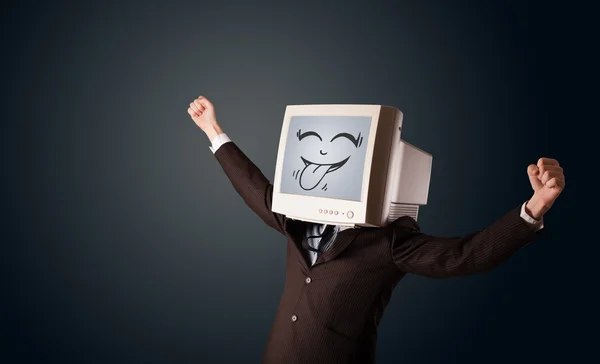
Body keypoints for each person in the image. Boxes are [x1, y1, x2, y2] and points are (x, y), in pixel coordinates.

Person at [187, 96, 565, 364]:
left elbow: (462, 257)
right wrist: (214, 131)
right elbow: (257, 190)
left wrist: (535, 207)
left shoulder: (390, 241)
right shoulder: (297, 217)